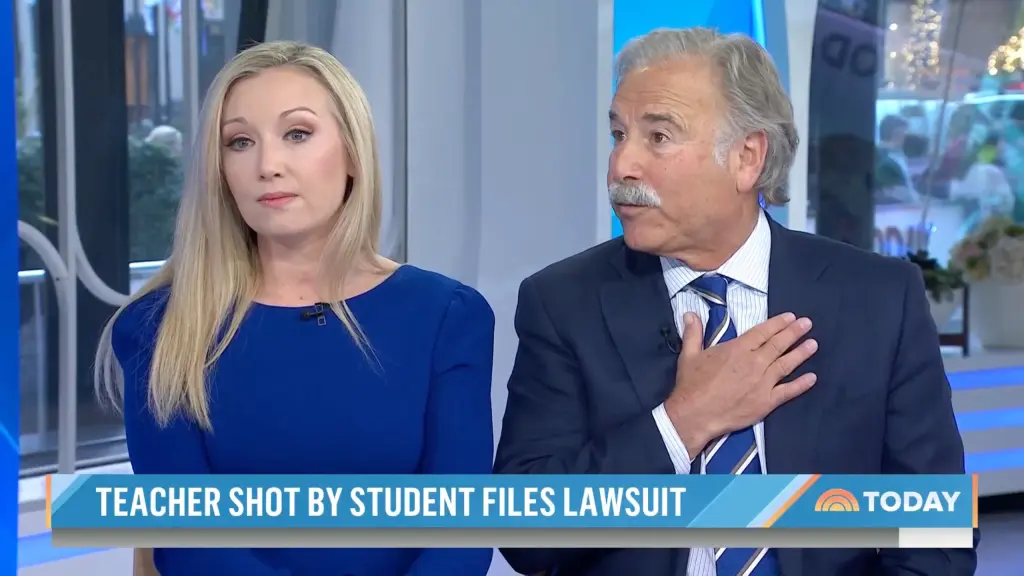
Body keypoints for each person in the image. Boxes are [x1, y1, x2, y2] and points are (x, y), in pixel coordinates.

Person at [494, 28, 976, 576]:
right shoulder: (564, 303)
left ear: (747, 158)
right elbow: (524, 535)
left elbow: (935, 529)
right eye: (618, 134)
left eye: (658, 137)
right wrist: (682, 423)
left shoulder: (879, 299)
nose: (622, 165)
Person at [94, 41, 495, 576]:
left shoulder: (446, 317)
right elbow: (189, 541)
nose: (268, 165)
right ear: (219, 170)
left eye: (298, 134)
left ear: (353, 153)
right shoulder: (159, 328)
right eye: (240, 142)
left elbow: (461, 533)